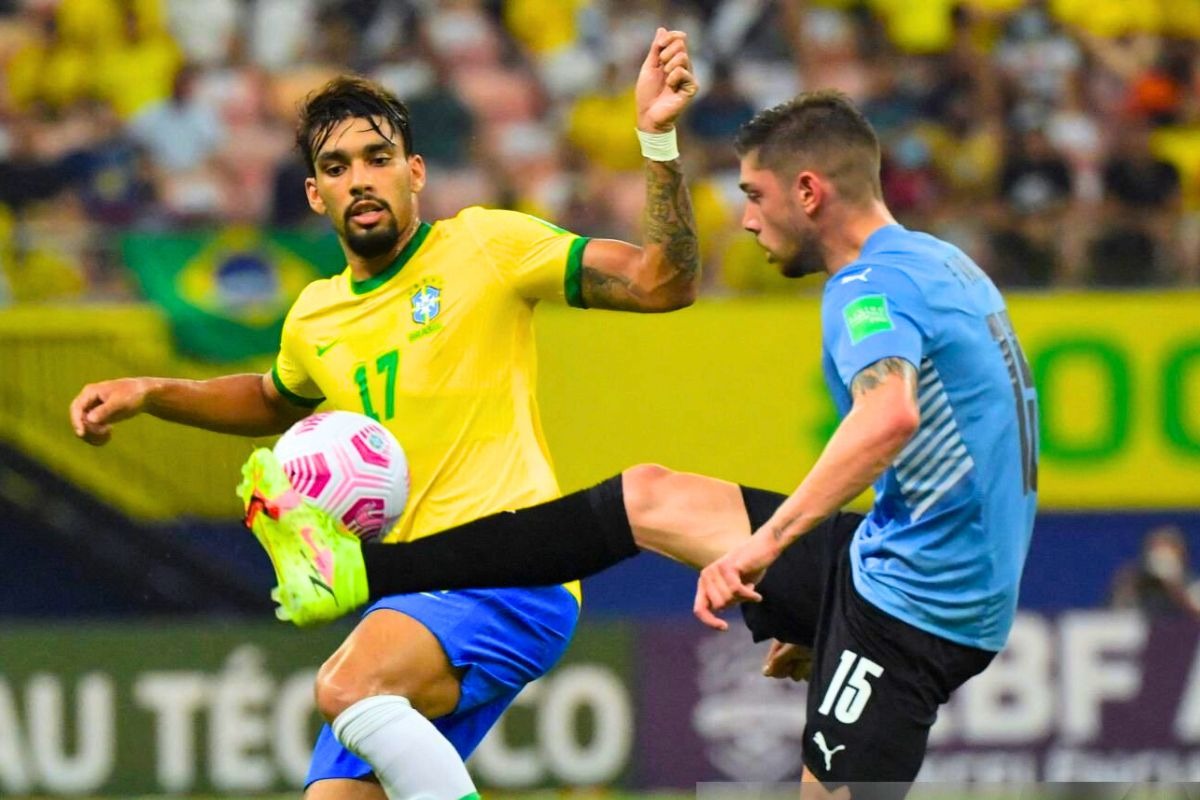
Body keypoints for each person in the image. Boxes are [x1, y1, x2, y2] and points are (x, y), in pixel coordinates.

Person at [245, 91, 1039, 799]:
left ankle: (362, 573)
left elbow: (888, 417)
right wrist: (815, 604)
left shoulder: (868, 286)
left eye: (754, 198)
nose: (749, 220)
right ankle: (368, 572)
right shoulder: (940, 262)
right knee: (647, 496)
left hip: (912, 611)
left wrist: (770, 552)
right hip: (894, 558)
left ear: (809, 191)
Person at [68, 28, 699, 800]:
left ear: (415, 172)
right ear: (314, 194)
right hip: (416, 594)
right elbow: (274, 398)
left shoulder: (486, 248)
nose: (359, 179)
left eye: (377, 158)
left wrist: (656, 138)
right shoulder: (316, 315)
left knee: (347, 686)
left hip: (513, 573)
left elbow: (662, 283)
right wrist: (152, 393)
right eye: (335, 167)